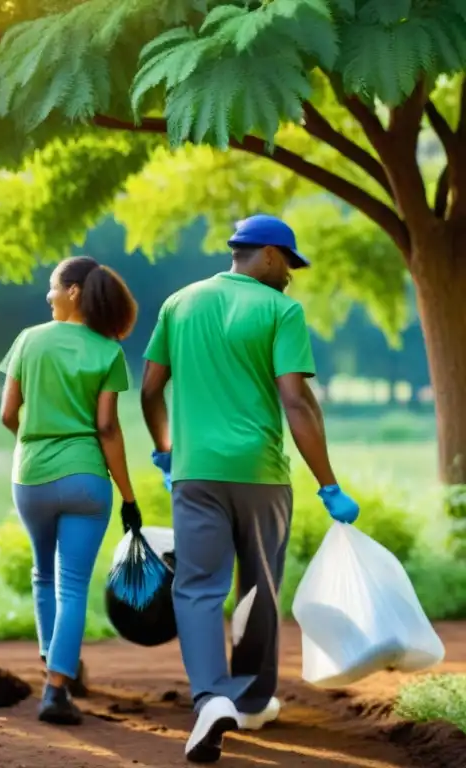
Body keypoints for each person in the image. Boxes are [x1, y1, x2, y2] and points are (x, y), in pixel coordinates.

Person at [140, 214, 361, 763]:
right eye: (288, 261)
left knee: (196, 587)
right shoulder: (281, 310)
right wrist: (329, 484)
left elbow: (149, 391)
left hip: (196, 474)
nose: (290, 274)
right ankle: (253, 699)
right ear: (265, 254)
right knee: (259, 585)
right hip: (260, 473)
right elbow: (296, 402)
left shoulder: (179, 303)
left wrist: (168, 452)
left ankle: (211, 697)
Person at [0, 256, 141, 726]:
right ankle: (57, 688)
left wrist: (37, 440)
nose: (48, 295)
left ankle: (52, 664)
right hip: (87, 479)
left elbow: (7, 416)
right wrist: (129, 495)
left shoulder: (28, 340)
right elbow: (107, 428)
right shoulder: (108, 350)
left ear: (74, 291)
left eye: (53, 287)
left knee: (44, 575)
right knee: (73, 585)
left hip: (32, 474)